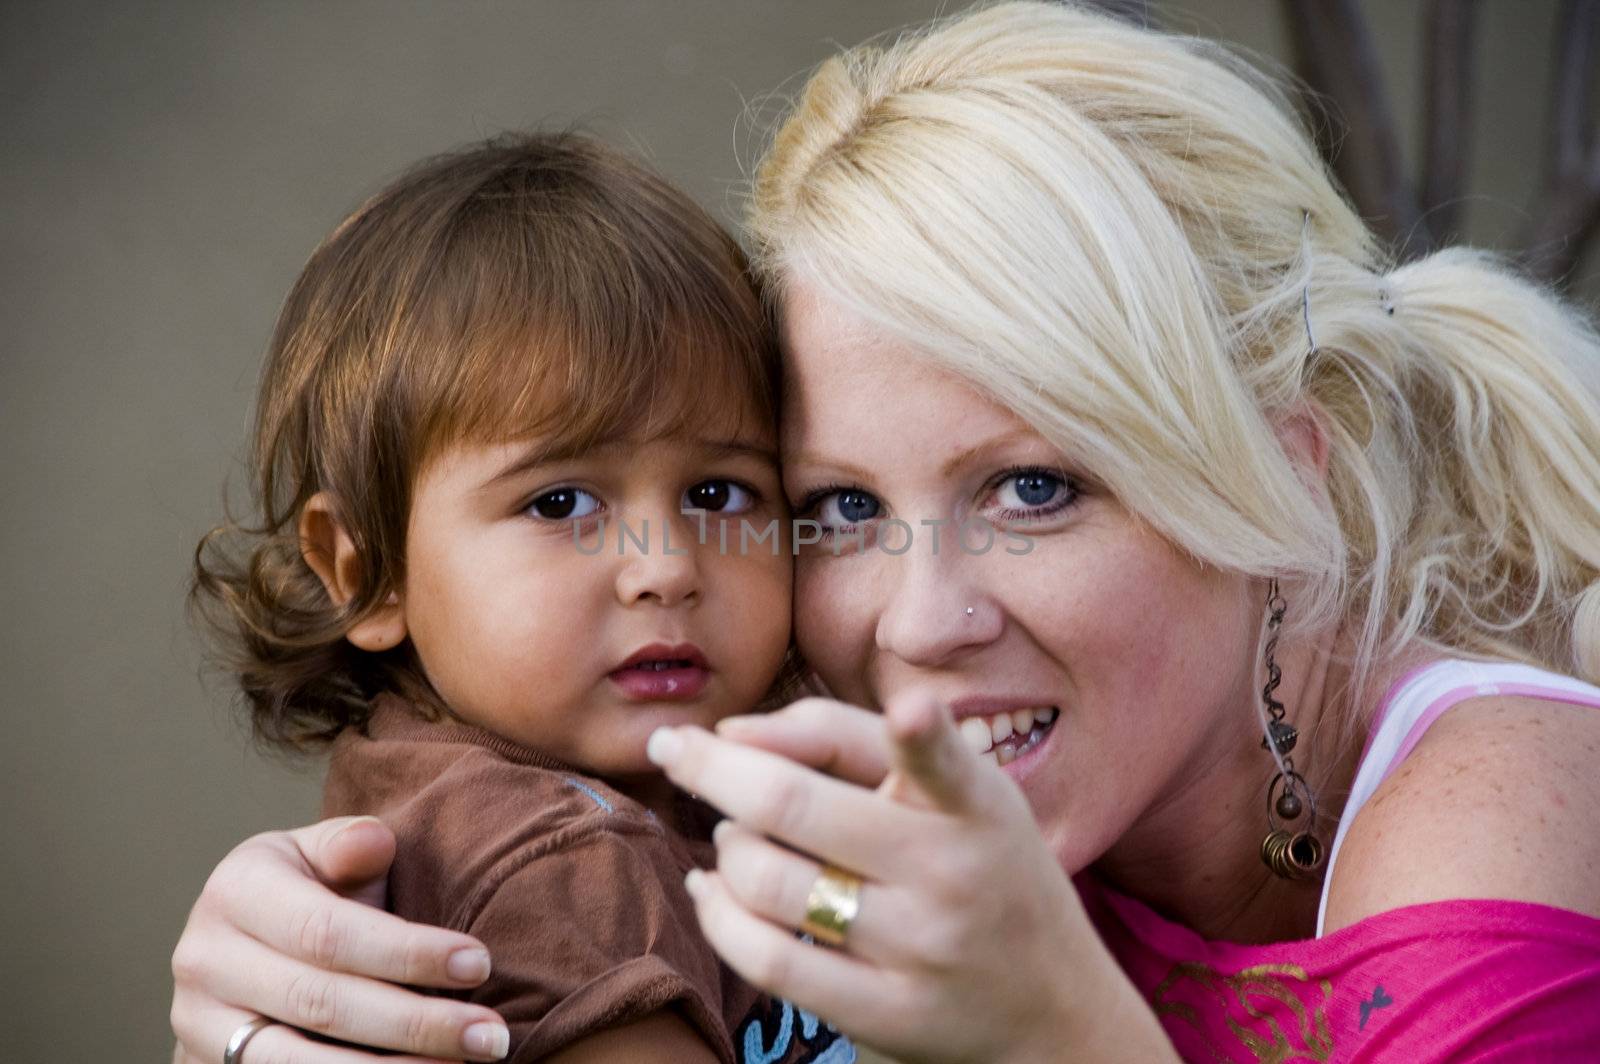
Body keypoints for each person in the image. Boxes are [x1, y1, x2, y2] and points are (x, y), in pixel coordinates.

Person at [171, 3, 1600, 1061]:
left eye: (1035, 488)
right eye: (841, 508)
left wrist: (1063, 1037)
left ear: (1286, 479)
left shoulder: (1499, 823)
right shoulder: (809, 746)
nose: (917, 625)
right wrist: (285, 959)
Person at [184, 131, 857, 1064]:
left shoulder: (668, 779)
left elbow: (826, 915)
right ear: (365, 570)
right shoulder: (564, 864)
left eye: (717, 493)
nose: (664, 566)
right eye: (560, 503)